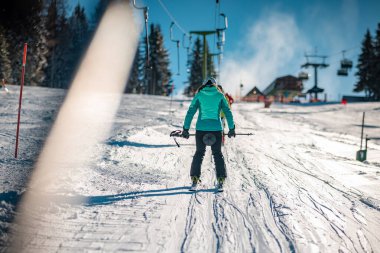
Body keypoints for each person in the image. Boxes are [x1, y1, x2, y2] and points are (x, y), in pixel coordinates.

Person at [182, 77, 235, 190]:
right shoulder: (220, 95)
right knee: (217, 154)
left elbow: (191, 111)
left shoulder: (199, 95)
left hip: (201, 129)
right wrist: (231, 128)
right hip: (216, 129)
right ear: (215, 85)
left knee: (199, 153)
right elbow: (227, 112)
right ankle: (220, 180)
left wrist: (185, 129)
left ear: (204, 84)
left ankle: (195, 180)